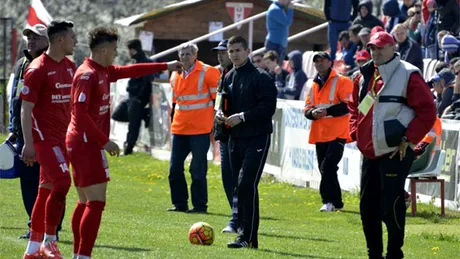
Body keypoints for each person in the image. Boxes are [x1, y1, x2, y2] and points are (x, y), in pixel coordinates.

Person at [66, 26, 183, 259]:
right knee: (96, 202)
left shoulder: (103, 70)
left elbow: (133, 70)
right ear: (103, 51)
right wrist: (104, 141)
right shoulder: (87, 74)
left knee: (84, 201)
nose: (116, 53)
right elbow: (79, 114)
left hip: (84, 143)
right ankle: (83, 255)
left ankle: (78, 254)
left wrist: (165, 66)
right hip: (85, 143)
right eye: (114, 49)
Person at [348, 31, 436, 259]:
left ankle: (394, 253)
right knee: (367, 209)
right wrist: (356, 133)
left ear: (392, 48)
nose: (375, 52)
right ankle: (373, 255)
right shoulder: (363, 75)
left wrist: (408, 139)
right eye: (372, 48)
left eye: (380, 48)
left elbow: (428, 112)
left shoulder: (408, 74)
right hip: (370, 152)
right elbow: (354, 108)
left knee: (391, 206)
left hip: (397, 151)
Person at [21, 20, 77, 259]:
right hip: (44, 139)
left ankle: (32, 249)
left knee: (45, 189)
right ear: (61, 40)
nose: (75, 41)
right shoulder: (37, 68)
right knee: (63, 182)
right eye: (72, 37)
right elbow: (25, 109)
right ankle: (50, 241)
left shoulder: (70, 66)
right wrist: (29, 144)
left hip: (63, 138)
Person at [215, 35, 276, 249]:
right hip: (235, 138)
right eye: (231, 51)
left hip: (257, 136)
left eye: (238, 50)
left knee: (245, 183)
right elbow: (221, 104)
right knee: (241, 187)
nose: (234, 55)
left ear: (247, 50)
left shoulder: (262, 77)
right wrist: (221, 115)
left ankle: (246, 237)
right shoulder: (228, 76)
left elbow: (268, 108)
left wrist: (242, 116)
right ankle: (249, 238)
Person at [8, 24, 65, 241]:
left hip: (50, 135)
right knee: (30, 182)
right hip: (25, 134)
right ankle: (35, 226)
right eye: (28, 37)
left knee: (54, 181)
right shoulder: (22, 63)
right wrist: (14, 130)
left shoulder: (55, 64)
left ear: (48, 41)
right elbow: (17, 101)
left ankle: (52, 227)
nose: (31, 40)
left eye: (36, 37)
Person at [167, 43, 220, 214]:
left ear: (196, 54)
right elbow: (175, 103)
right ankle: (179, 204)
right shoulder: (175, 74)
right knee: (174, 169)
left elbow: (217, 101)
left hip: (200, 130)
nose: (185, 57)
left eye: (188, 54)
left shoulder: (208, 72)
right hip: (179, 129)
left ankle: (199, 206)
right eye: (182, 54)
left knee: (197, 170)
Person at [304, 52, 353, 212]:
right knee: (327, 168)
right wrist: (312, 113)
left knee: (328, 166)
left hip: (338, 132)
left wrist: (326, 112)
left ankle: (328, 201)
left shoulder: (343, 81)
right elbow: (307, 108)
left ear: (330, 62)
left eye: (322, 61)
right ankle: (337, 203)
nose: (319, 64)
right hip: (320, 133)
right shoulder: (312, 85)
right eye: (316, 61)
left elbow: (348, 106)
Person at [211, 39, 238, 233]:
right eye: (218, 52)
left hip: (236, 134)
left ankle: (238, 219)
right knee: (227, 179)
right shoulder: (223, 73)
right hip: (223, 133)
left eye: (224, 52)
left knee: (236, 180)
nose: (220, 55)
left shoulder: (238, 74)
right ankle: (237, 217)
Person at [123, 39, 155, 155]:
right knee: (121, 115)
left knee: (133, 125)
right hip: (134, 97)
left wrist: (139, 98)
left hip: (137, 98)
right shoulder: (139, 61)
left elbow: (147, 82)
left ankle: (128, 148)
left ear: (133, 50)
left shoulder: (143, 62)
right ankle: (144, 115)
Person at [265, 0, 294, 65]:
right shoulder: (275, 9)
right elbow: (287, 22)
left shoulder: (279, 8)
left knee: (279, 70)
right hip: (274, 45)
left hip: (279, 45)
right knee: (273, 70)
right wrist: (290, 9)